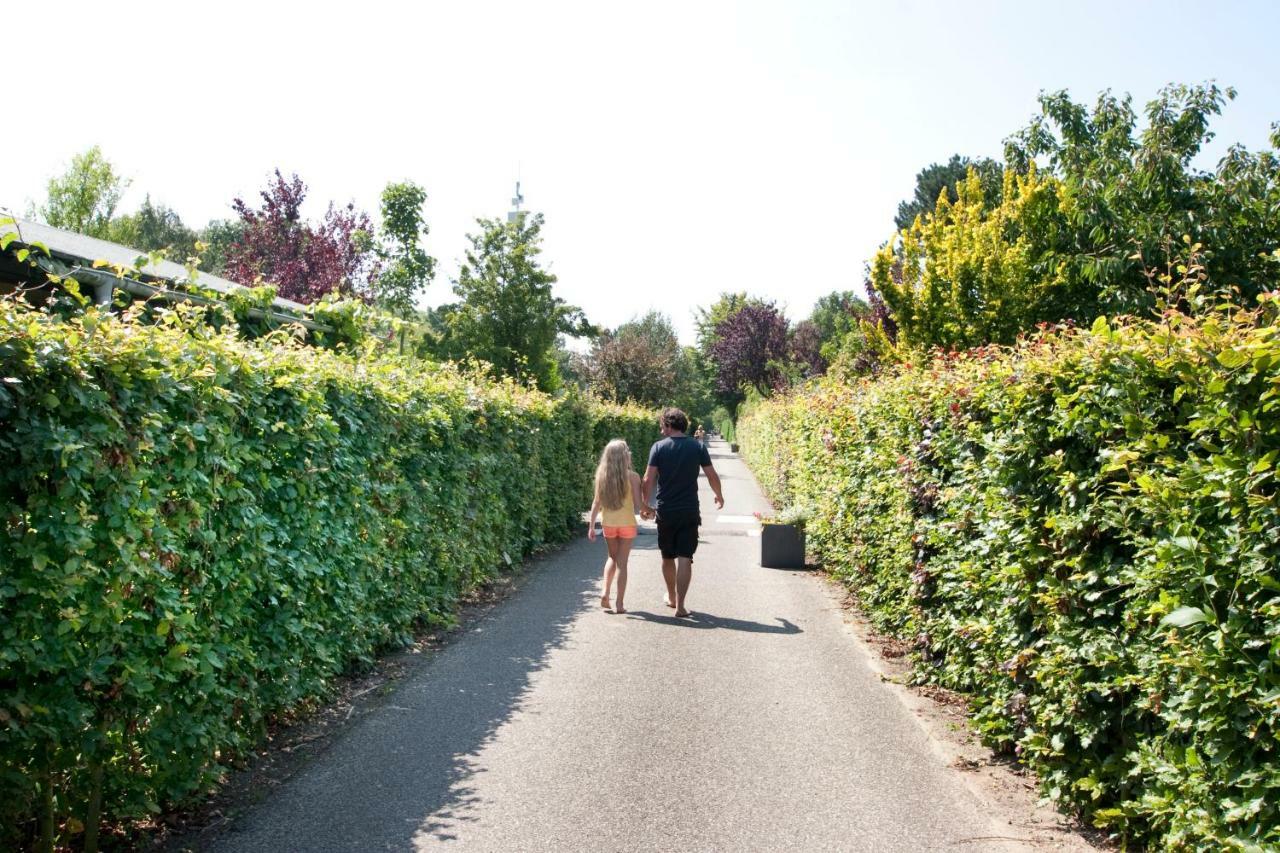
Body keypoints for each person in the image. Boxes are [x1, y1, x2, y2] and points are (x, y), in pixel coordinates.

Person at [642, 408, 725, 617]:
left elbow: (647, 479)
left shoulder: (658, 448)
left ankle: (671, 597)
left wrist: (644, 505)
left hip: (665, 510)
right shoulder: (697, 447)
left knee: (667, 556)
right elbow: (712, 475)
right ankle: (680, 606)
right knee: (685, 557)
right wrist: (719, 495)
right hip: (689, 509)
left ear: (670, 425)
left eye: (663, 426)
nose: (661, 431)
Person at [587, 439, 649, 614]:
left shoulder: (601, 475)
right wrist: (650, 511)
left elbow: (595, 503)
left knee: (611, 558)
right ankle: (620, 604)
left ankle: (605, 592)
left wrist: (592, 526)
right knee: (622, 563)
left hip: (608, 524)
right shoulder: (633, 476)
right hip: (627, 524)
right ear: (625, 457)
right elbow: (639, 505)